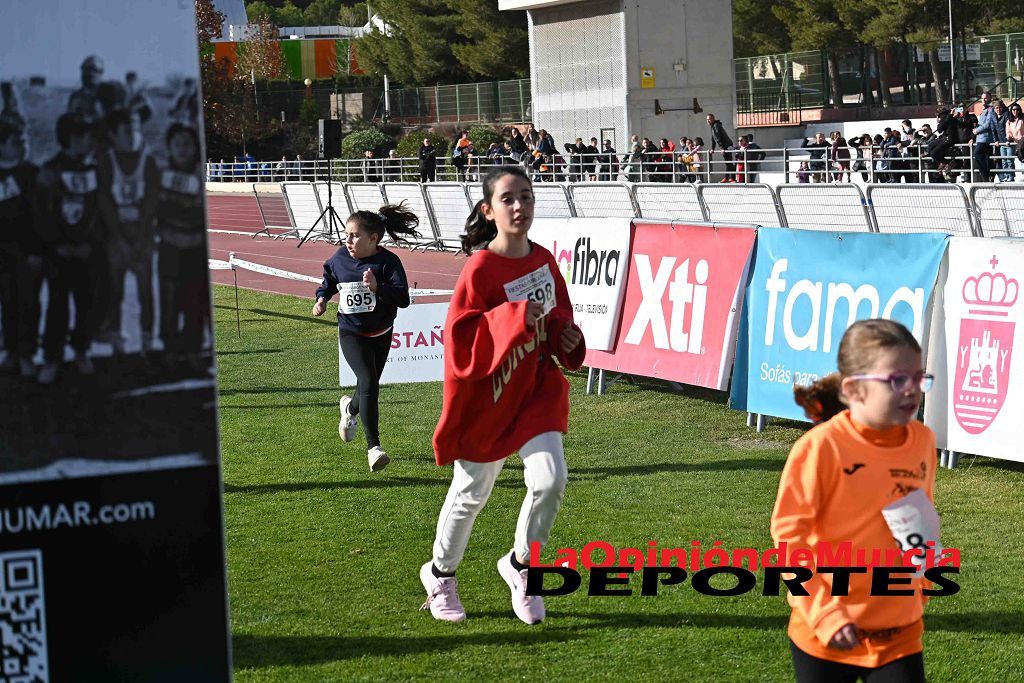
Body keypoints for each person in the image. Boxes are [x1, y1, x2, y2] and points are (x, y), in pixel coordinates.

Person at [420, 166, 585, 625]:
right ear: (488, 210)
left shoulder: (544, 260)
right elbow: (461, 339)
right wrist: (513, 316)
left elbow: (557, 321)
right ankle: (440, 574)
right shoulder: (481, 268)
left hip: (535, 389)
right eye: (508, 199)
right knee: (471, 492)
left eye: (526, 198)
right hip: (488, 397)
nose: (519, 207)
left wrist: (565, 339)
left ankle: (522, 565)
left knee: (550, 479)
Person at [772, 318, 937, 683]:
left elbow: (919, 519)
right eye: (897, 380)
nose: (912, 390)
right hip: (826, 630)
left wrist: (921, 588)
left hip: (899, 631)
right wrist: (825, 614)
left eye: (918, 377)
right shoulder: (820, 447)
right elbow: (789, 540)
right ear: (854, 389)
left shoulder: (923, 441)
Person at [312, 203, 420, 472]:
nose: (347, 240)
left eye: (354, 235)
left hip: (382, 332)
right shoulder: (339, 258)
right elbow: (328, 281)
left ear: (374, 238)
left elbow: (403, 299)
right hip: (352, 332)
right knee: (369, 380)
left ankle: (349, 410)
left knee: (366, 386)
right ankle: (374, 448)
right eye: (346, 235)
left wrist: (377, 287)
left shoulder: (388, 262)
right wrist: (322, 299)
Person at [34, 113, 101, 384]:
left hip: (86, 253)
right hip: (58, 254)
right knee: (57, 307)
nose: (91, 141)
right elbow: (41, 213)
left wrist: (89, 244)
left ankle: (82, 351)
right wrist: (58, 244)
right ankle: (52, 358)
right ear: (73, 138)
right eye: (86, 136)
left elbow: (98, 210)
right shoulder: (50, 170)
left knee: (86, 304)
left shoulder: (92, 170)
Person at [97, 107, 160, 354]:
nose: (133, 132)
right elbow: (104, 203)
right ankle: (117, 342)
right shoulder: (107, 161)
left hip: (142, 234)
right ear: (114, 133)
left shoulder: (149, 160)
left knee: (146, 292)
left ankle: (147, 342)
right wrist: (120, 240)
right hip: (117, 235)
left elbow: (152, 204)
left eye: (136, 127)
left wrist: (142, 239)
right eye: (127, 129)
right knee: (116, 291)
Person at [157, 124, 209, 370]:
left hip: (193, 251)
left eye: (187, 144)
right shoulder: (161, 173)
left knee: (193, 304)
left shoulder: (199, 173)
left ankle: (193, 351)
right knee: (169, 303)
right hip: (168, 250)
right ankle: (168, 351)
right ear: (169, 147)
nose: (182, 149)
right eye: (177, 144)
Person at [0, 110, 40, 377]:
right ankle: (11, 351)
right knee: (8, 303)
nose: (23, 145)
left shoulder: (33, 173)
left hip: (29, 253)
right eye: (17, 141)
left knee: (28, 303)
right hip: (3, 252)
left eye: (25, 140)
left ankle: (27, 353)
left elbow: (42, 218)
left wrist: (37, 252)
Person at [706, 113, 734, 180]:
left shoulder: (716, 126)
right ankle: (728, 178)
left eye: (709, 119)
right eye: (707, 119)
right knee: (728, 162)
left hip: (727, 145)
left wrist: (722, 148)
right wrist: (712, 148)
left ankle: (730, 178)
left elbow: (719, 138)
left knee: (729, 162)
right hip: (725, 146)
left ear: (713, 119)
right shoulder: (713, 126)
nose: (708, 121)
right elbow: (713, 139)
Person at [1006, 102, 1023, 181]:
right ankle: (1011, 176)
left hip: (1022, 141)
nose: (1015, 111)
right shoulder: (1009, 121)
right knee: (1010, 159)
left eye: (1017, 109)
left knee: (1021, 156)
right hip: (1015, 141)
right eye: (1014, 109)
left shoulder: (1022, 119)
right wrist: (1009, 137)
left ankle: (1022, 174)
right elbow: (1008, 131)